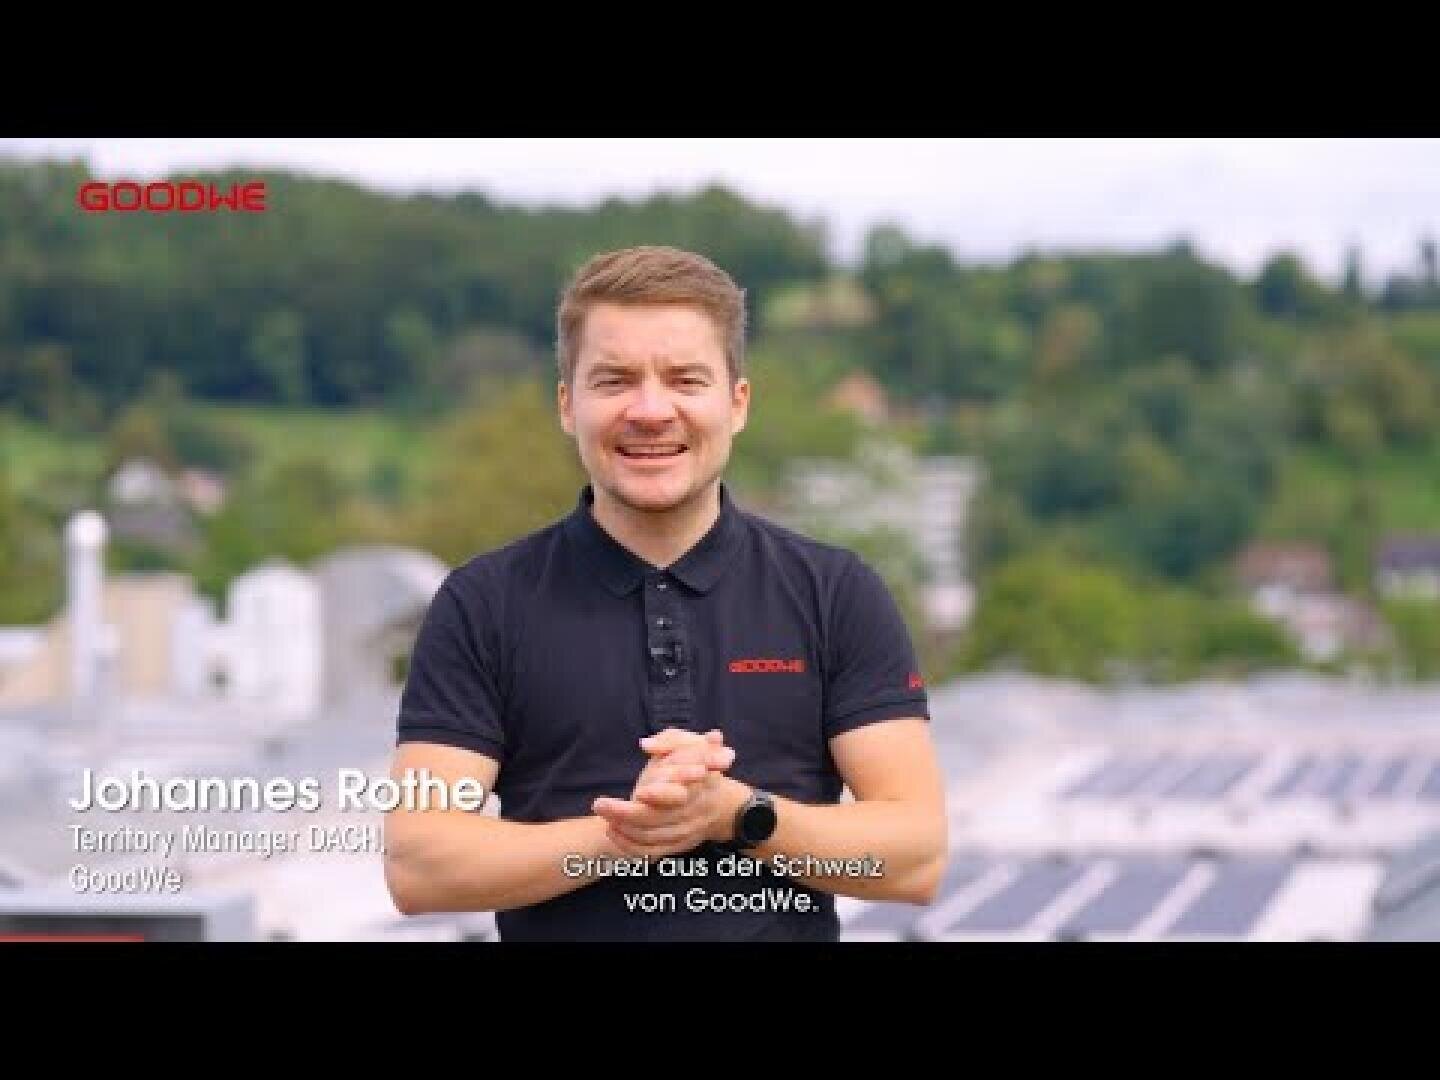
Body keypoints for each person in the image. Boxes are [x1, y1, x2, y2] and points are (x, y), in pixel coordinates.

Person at [383, 245, 948, 941]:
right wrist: (625, 837)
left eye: (685, 379)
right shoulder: (483, 603)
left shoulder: (836, 593)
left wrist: (737, 814)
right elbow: (419, 863)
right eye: (614, 380)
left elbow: (915, 855)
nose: (650, 411)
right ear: (567, 405)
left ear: (736, 403)